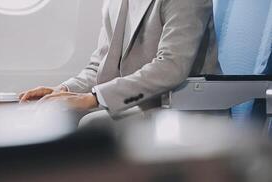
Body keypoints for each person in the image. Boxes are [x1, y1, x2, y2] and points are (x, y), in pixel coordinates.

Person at [19, 0, 220, 125]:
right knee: (55, 115)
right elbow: (100, 64)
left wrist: (94, 98)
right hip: (137, 103)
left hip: (181, 109)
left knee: (92, 124)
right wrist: (62, 90)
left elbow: (170, 67)